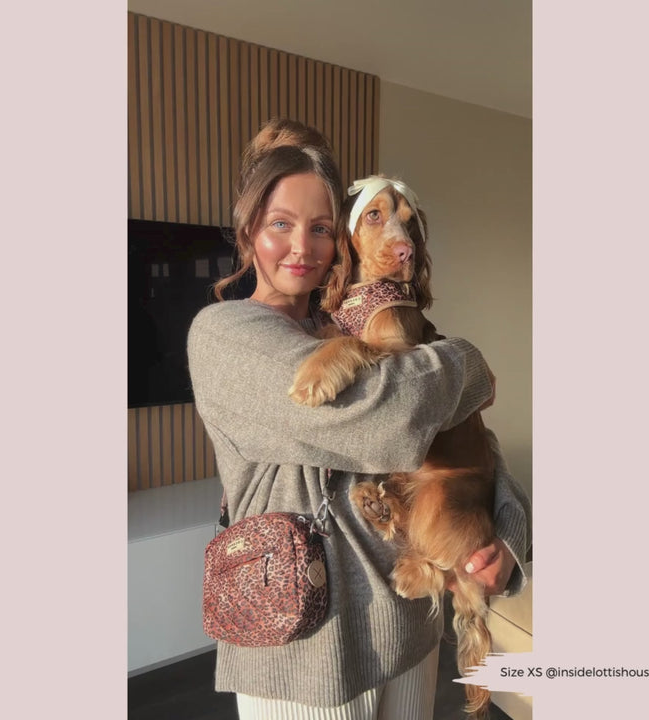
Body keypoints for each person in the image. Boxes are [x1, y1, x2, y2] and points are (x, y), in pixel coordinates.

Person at [187, 118, 531, 720]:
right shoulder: (226, 334)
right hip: (306, 654)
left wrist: (508, 536)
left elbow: (464, 442)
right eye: (280, 224)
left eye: (320, 228)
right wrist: (469, 362)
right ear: (248, 233)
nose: (302, 247)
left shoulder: (350, 323)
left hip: (409, 626)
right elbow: (393, 421)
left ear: (340, 241)